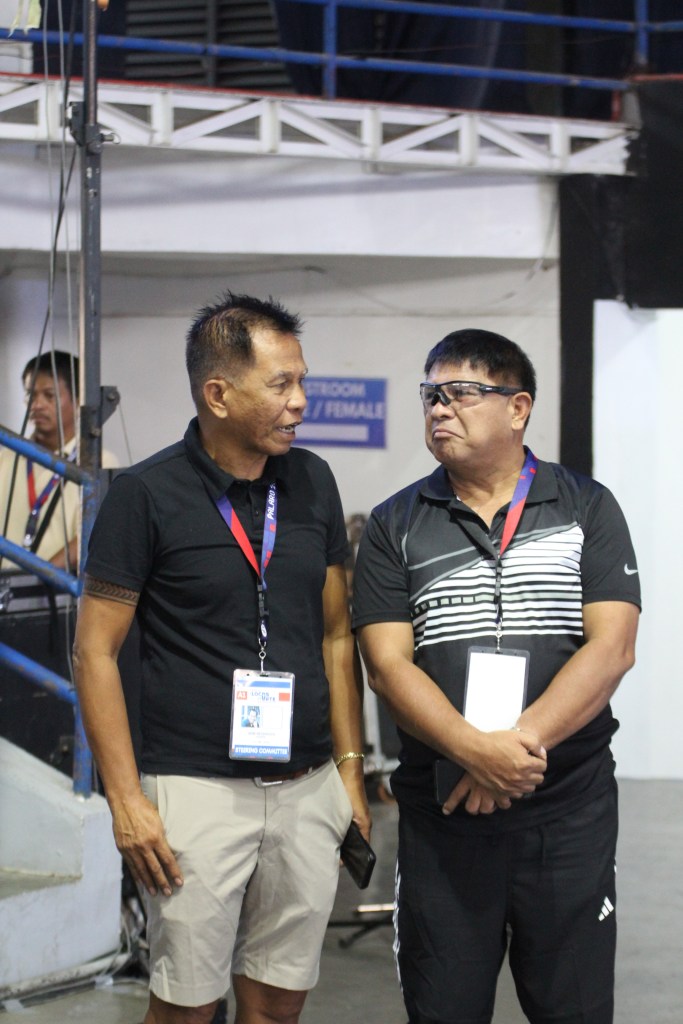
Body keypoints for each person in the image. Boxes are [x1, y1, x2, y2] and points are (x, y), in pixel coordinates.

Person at [72, 293, 370, 1024]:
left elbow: (336, 636)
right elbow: (93, 653)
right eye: (281, 384)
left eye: (302, 381)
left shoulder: (313, 481)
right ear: (218, 394)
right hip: (193, 790)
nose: (300, 402)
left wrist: (349, 773)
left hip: (306, 787)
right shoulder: (143, 495)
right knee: (187, 1007)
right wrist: (126, 801)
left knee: (277, 1005)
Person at [352, 328, 640, 1024]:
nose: (438, 408)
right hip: (444, 818)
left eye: (460, 393)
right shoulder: (395, 524)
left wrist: (509, 751)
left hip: (566, 812)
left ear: (517, 408)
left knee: (572, 1008)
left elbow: (611, 648)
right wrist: (472, 751)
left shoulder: (586, 507)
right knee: (444, 1008)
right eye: (430, 395)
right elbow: (386, 665)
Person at [0, 350, 118, 572]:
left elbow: (94, 533)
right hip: (7, 588)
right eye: (30, 395)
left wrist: (39, 577)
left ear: (77, 400)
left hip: (62, 588)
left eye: (49, 395)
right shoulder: (7, 458)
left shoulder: (99, 461)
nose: (37, 405)